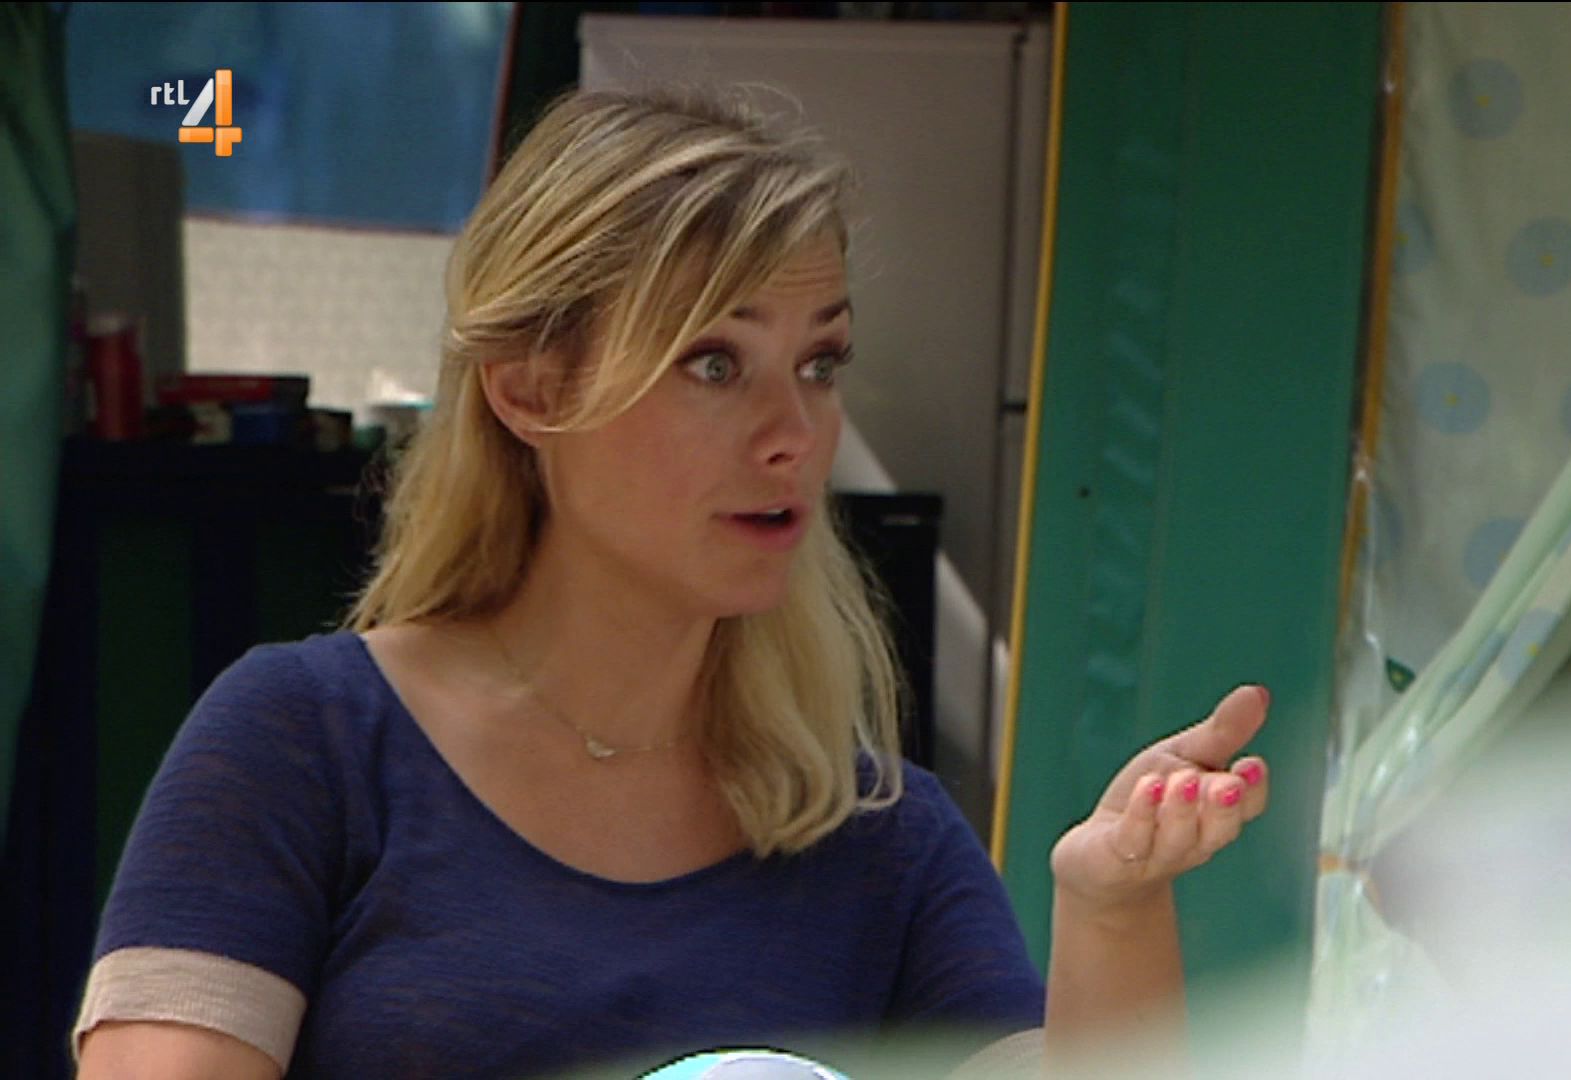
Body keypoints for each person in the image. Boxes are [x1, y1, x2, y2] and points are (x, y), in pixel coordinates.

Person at [70, 88, 1273, 1079]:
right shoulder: (303, 741)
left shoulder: (882, 835)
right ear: (530, 390)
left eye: (820, 361)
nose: (794, 432)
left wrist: (1113, 909)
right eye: (713, 362)